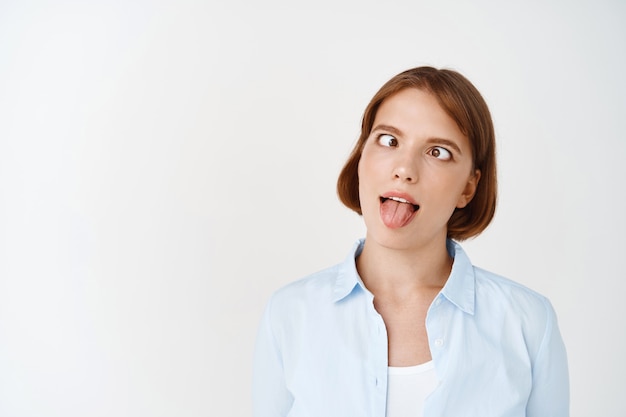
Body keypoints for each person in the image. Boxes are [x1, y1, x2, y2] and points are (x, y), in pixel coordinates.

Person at [252, 66, 569, 417]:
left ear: (468, 186)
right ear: (361, 156)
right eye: (389, 140)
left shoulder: (527, 324)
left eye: (438, 152)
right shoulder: (289, 315)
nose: (405, 169)